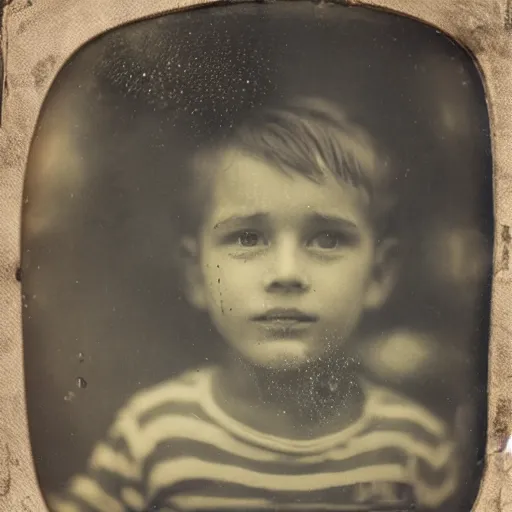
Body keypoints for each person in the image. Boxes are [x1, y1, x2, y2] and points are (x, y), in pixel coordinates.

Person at [50, 98, 459, 512]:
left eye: (327, 239)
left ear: (378, 275)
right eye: (248, 237)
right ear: (197, 275)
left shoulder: (416, 450)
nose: (286, 273)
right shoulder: (152, 435)